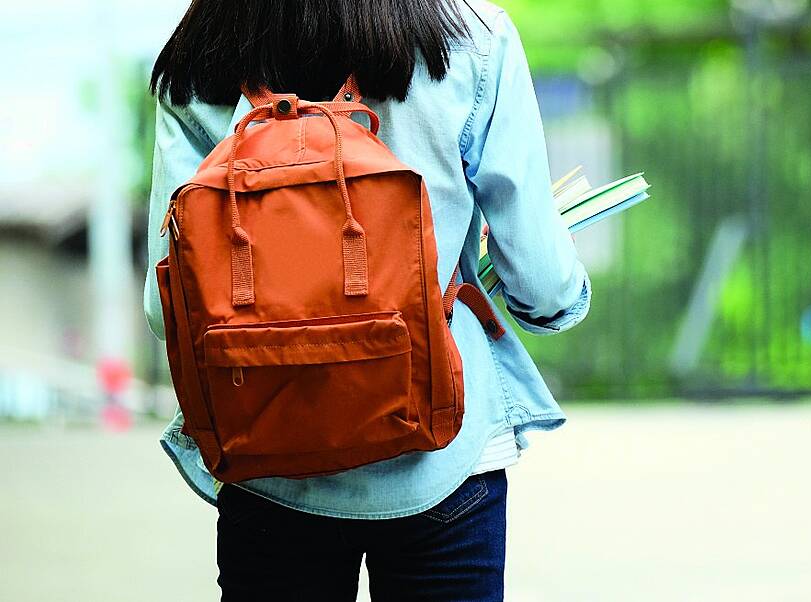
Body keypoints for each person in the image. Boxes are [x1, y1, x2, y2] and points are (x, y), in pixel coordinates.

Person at [144, 1, 590, 600]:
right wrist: (558, 303)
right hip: (444, 456)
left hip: (266, 456)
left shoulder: (202, 50)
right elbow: (540, 281)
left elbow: (163, 305)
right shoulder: (472, 37)